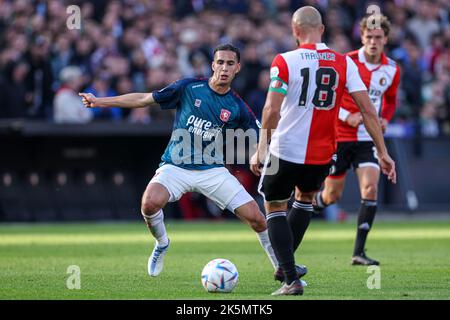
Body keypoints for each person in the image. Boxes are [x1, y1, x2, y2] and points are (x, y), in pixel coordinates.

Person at [79, 43, 305, 282]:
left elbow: (262, 132)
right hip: (176, 166)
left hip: (212, 171)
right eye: (220, 62)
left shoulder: (237, 105)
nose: (224, 68)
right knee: (149, 204)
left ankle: (287, 273)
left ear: (237, 68)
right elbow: (144, 99)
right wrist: (100, 101)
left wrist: (262, 152)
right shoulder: (189, 87)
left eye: (230, 63)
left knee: (257, 218)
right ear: (212, 65)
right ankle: (162, 243)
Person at [250, 7, 397, 296]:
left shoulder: (284, 61)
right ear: (322, 29)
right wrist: (383, 151)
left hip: (287, 148)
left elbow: (271, 109)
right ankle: (285, 266)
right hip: (323, 153)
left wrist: (261, 147)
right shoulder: (344, 63)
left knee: (275, 206)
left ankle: (290, 278)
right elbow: (368, 110)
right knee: (305, 200)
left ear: (295, 31)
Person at [314, 15, 401, 266]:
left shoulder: (392, 69)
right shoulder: (347, 62)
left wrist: (384, 118)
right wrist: (345, 115)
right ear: (362, 37)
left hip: (367, 138)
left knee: (371, 188)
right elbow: (328, 96)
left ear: (385, 39)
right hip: (340, 136)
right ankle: (302, 211)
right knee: (331, 196)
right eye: (369, 37)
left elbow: (391, 100)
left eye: (378, 38)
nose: (373, 41)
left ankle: (358, 252)